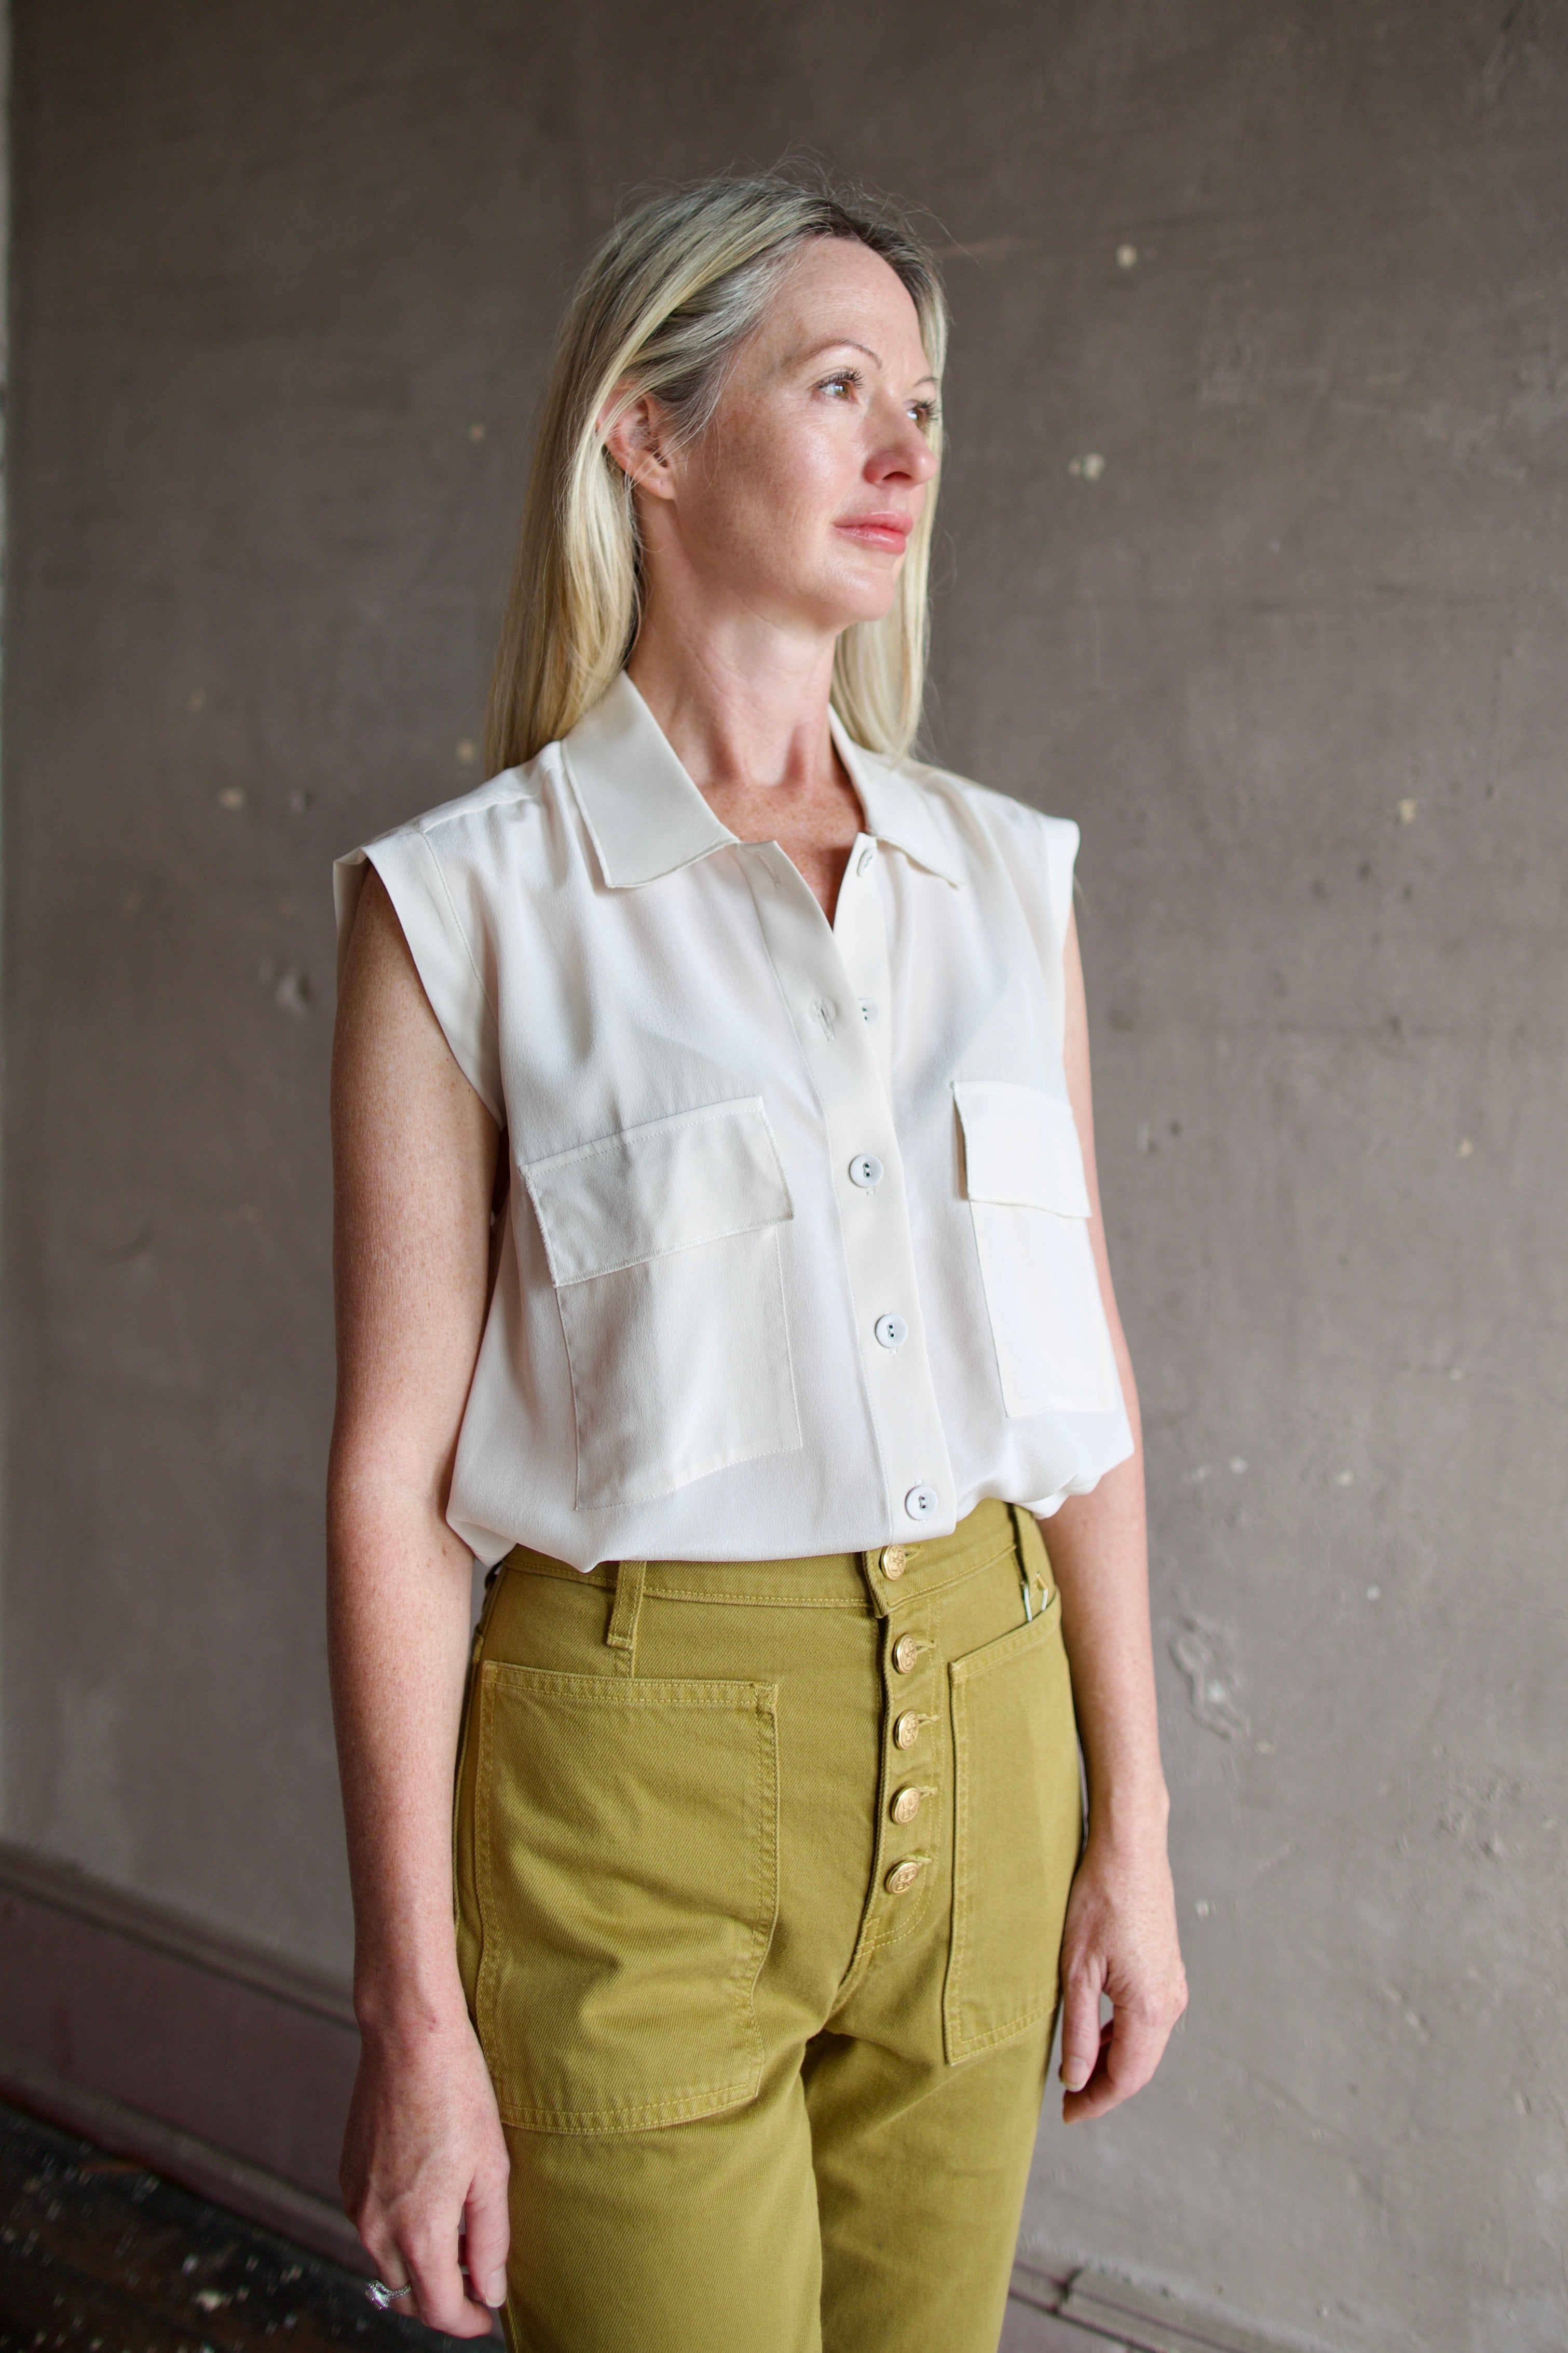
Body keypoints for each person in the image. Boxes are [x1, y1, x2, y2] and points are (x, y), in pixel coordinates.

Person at [327, 172, 1187, 2353]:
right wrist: (416, 2013)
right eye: (838, 389)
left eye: (923, 403)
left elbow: (1079, 1378)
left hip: (1000, 1760)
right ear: (650, 432)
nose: (907, 449)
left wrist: (1135, 1833)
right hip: (635, 1798)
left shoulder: (1006, 880)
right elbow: (391, 1492)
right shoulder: (467, 910)